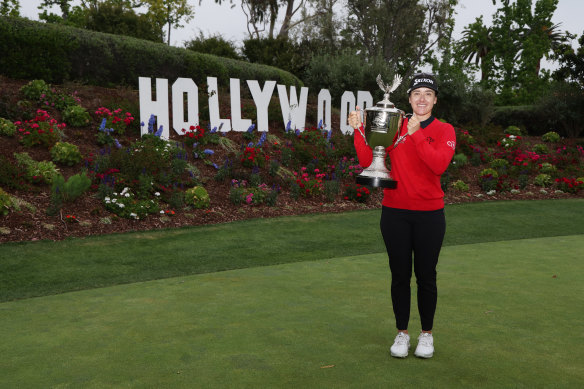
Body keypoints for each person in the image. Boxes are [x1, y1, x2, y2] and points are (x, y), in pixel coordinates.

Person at [348, 73, 456, 359]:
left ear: (435, 100)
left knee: (426, 276)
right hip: (394, 212)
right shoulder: (396, 126)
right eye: (416, 93)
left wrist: (417, 132)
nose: (422, 99)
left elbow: (438, 165)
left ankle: (426, 335)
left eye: (427, 94)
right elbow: (368, 159)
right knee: (399, 276)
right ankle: (402, 334)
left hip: (430, 215)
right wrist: (359, 131)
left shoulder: (445, 130)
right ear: (408, 99)